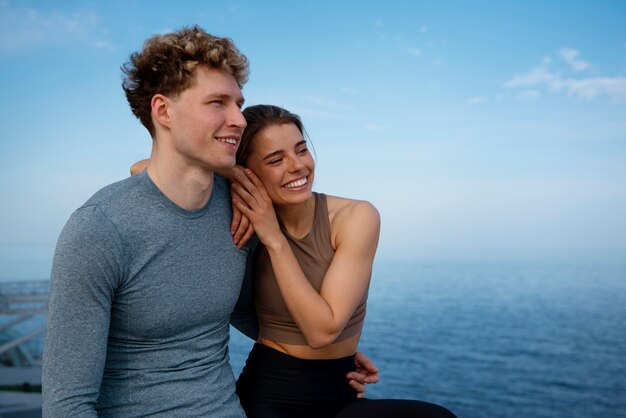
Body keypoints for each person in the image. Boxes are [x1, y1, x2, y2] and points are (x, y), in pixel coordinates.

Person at [42, 26, 376, 417]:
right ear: (163, 110)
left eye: (238, 103)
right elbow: (67, 404)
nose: (238, 119)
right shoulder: (98, 230)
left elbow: (247, 312)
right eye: (218, 103)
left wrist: (330, 360)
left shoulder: (240, 209)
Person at [230, 104, 457, 418]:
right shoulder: (243, 219)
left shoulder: (356, 217)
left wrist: (274, 238)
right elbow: (142, 170)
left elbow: (324, 331)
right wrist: (229, 178)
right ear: (249, 172)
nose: (297, 166)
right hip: (270, 394)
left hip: (342, 390)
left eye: (301, 150)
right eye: (275, 159)